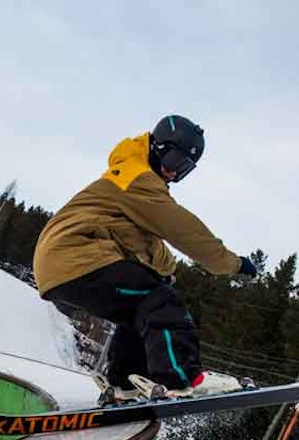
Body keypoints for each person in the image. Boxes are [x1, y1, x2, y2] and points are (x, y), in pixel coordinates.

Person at [32, 114, 256, 399]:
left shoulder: (128, 182)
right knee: (159, 299)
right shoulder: (137, 178)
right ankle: (183, 378)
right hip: (76, 257)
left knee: (139, 308)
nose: (174, 174)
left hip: (61, 267)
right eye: (174, 162)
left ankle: (123, 386)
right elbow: (182, 229)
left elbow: (148, 242)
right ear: (157, 148)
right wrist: (233, 264)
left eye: (185, 169)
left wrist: (166, 272)